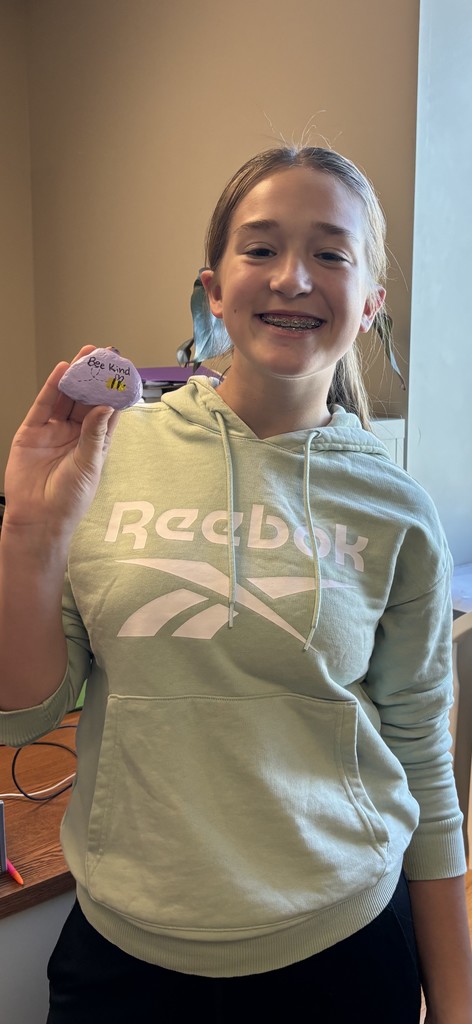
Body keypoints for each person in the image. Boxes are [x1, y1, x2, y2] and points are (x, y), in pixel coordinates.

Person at [0, 146, 471, 1024]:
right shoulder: (106, 453)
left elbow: (424, 765)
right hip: (125, 958)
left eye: (330, 252)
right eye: (261, 248)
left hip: (343, 953)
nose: (293, 277)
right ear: (213, 290)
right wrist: (28, 533)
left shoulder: (397, 509)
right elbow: (23, 716)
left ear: (370, 303)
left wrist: (454, 1005)